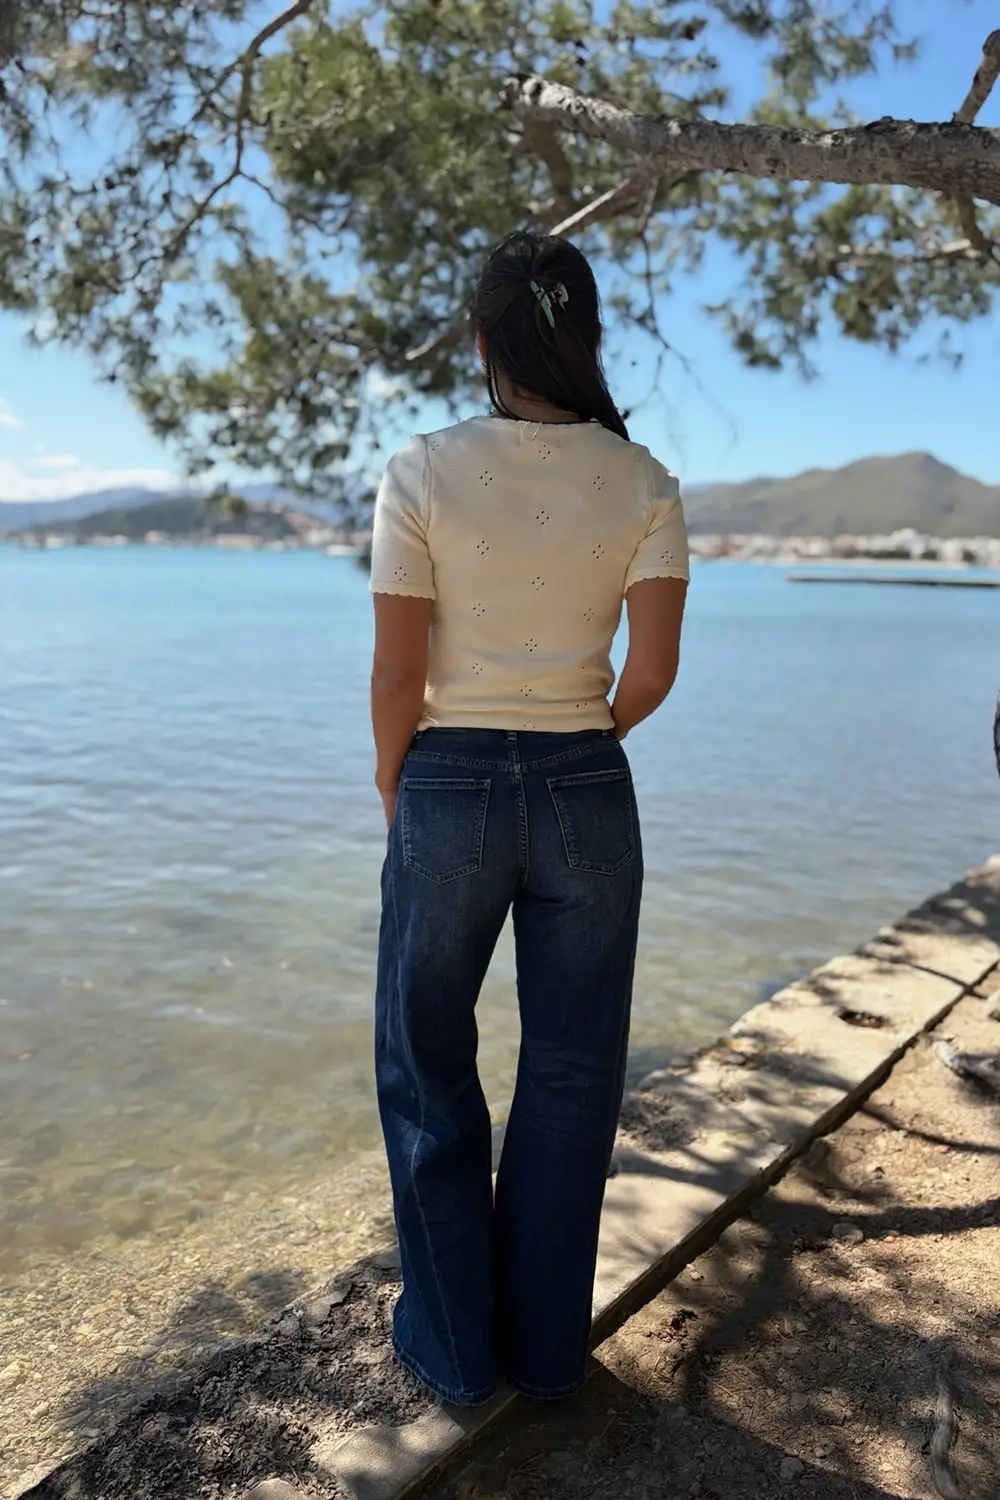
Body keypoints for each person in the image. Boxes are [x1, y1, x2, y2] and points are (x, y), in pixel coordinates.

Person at [368, 229, 689, 1407]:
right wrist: (579, 746)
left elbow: (397, 675)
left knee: (424, 1056)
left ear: (480, 340)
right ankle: (546, 1350)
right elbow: (649, 675)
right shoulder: (644, 481)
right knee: (570, 1067)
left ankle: (451, 1347)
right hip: (585, 780)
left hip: (446, 779)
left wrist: (397, 782)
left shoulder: (420, 467)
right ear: (586, 335)